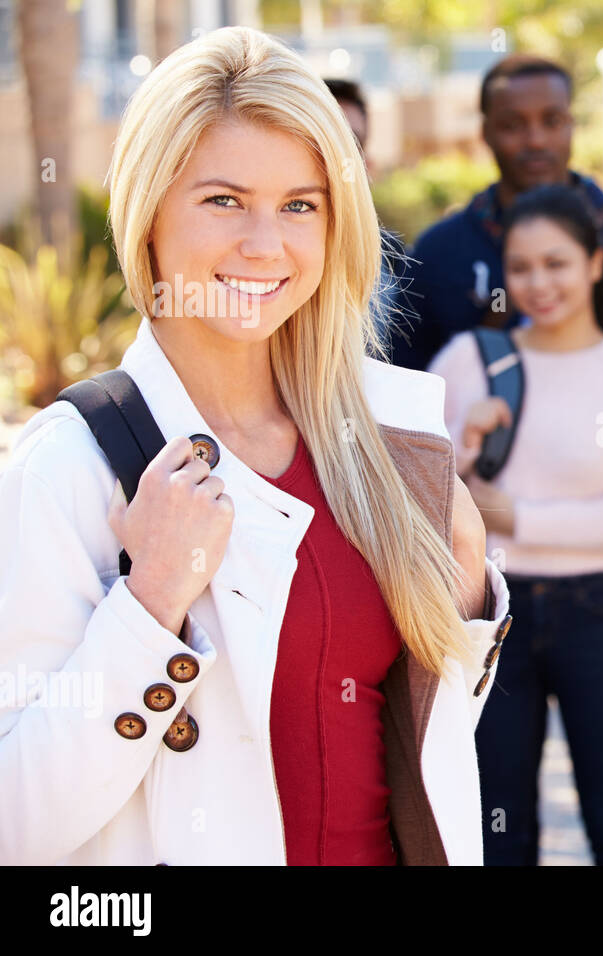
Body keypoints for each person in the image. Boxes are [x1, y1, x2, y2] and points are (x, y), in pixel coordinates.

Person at [0, 27, 511, 866]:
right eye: (223, 200)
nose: (265, 245)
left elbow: (416, 755)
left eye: (300, 205)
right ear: (148, 211)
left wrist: (465, 589)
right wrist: (151, 604)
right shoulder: (72, 467)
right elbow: (18, 828)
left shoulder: (385, 444)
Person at [399, 53, 603, 866]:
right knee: (495, 816)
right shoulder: (465, 353)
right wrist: (468, 454)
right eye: (523, 268)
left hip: (602, 614)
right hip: (490, 614)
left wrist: (513, 517)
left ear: (597, 264)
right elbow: (414, 486)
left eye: (559, 263)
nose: (539, 282)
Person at [392, 54, 603, 366]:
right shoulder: (438, 251)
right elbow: (408, 381)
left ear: (572, 125)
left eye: (552, 121)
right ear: (485, 132)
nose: (536, 140)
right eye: (512, 125)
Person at [324, 77, 408, 355]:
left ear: (367, 164)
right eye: (322, 138)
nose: (336, 155)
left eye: (350, 142)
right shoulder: (257, 254)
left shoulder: (395, 261)